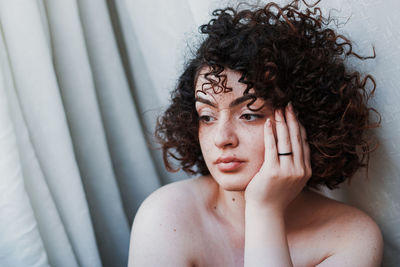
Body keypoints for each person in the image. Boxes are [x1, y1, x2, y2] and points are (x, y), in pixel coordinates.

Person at [128, 1, 383, 266]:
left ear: (304, 120)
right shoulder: (167, 216)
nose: (221, 138)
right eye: (207, 117)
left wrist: (265, 211)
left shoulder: (351, 237)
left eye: (249, 114)